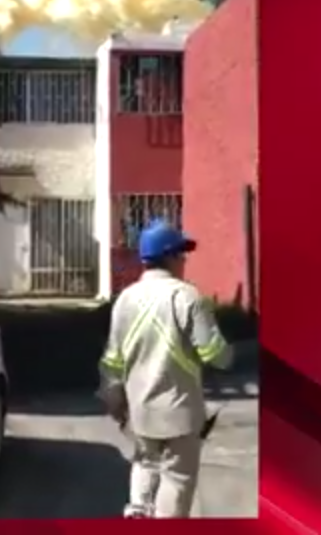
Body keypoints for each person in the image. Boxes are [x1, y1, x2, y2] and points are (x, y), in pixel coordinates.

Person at [98, 219, 234, 518]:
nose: (184, 261)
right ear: (170, 257)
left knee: (144, 464)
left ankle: (138, 513)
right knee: (177, 478)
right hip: (180, 413)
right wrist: (229, 354)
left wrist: (114, 397)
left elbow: (112, 360)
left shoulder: (125, 300)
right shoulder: (187, 297)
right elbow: (214, 354)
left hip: (140, 411)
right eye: (181, 254)